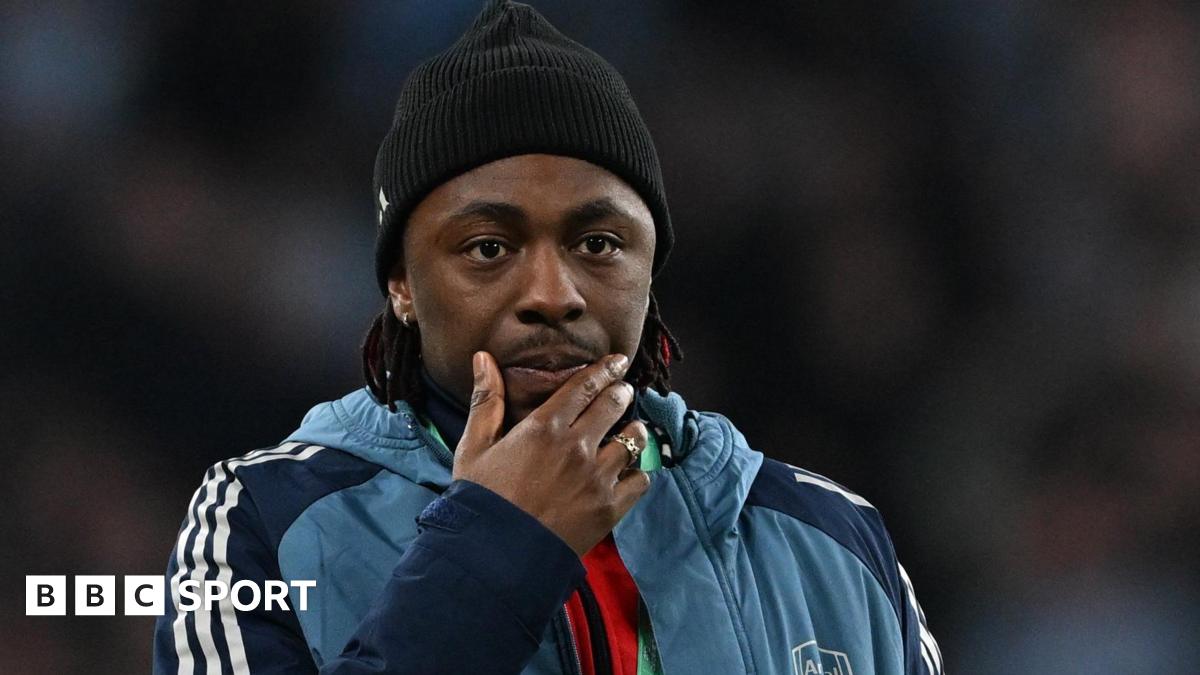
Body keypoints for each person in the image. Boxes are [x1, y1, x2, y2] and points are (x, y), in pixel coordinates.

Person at [152, 2, 943, 673]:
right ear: (401, 285)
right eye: (488, 247)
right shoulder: (263, 520)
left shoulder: (832, 539)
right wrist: (497, 545)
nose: (552, 295)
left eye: (597, 243)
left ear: (650, 273)